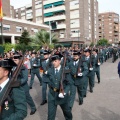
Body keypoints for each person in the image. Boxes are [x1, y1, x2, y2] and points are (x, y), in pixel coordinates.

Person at [46, 54, 72, 120]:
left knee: (67, 112)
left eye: (55, 61)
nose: (54, 63)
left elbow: (69, 83)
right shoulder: (50, 70)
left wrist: (64, 92)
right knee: (50, 114)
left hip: (62, 95)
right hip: (52, 94)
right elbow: (46, 79)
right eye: (53, 61)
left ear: (60, 61)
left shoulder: (65, 70)